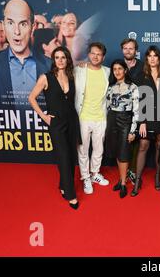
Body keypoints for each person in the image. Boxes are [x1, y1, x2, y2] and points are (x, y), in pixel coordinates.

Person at [28, 46, 80, 210]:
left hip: (72, 120)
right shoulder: (46, 78)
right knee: (63, 156)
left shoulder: (72, 76)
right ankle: (71, 195)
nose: (60, 60)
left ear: (67, 59)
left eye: (63, 57)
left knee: (71, 157)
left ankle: (63, 185)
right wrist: (44, 116)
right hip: (56, 123)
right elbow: (31, 98)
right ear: (53, 60)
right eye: (57, 57)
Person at [132, 45, 160, 196]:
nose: (152, 58)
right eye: (149, 56)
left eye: (155, 55)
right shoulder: (140, 76)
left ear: (159, 58)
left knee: (159, 145)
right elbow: (137, 101)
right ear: (146, 58)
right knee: (143, 145)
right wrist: (142, 121)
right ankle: (137, 180)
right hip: (146, 117)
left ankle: (157, 176)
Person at [74, 42, 111, 194]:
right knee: (83, 149)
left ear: (103, 57)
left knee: (98, 148)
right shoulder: (79, 70)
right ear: (88, 54)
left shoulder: (107, 71)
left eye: (99, 54)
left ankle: (95, 173)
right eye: (93, 53)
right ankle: (85, 177)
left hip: (101, 117)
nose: (96, 56)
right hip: (83, 116)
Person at [105, 59, 139, 198]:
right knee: (118, 152)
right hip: (112, 120)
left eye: (120, 68)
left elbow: (136, 111)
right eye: (115, 69)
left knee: (124, 153)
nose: (117, 71)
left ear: (125, 70)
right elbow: (107, 107)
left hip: (126, 121)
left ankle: (124, 184)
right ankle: (121, 179)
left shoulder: (133, 87)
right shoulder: (110, 87)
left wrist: (133, 130)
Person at [120, 38, 144, 184]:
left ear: (136, 51)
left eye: (131, 48)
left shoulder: (143, 66)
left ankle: (133, 172)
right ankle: (124, 172)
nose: (128, 51)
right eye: (125, 48)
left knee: (136, 143)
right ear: (122, 49)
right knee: (122, 143)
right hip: (121, 112)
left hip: (138, 109)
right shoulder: (117, 66)